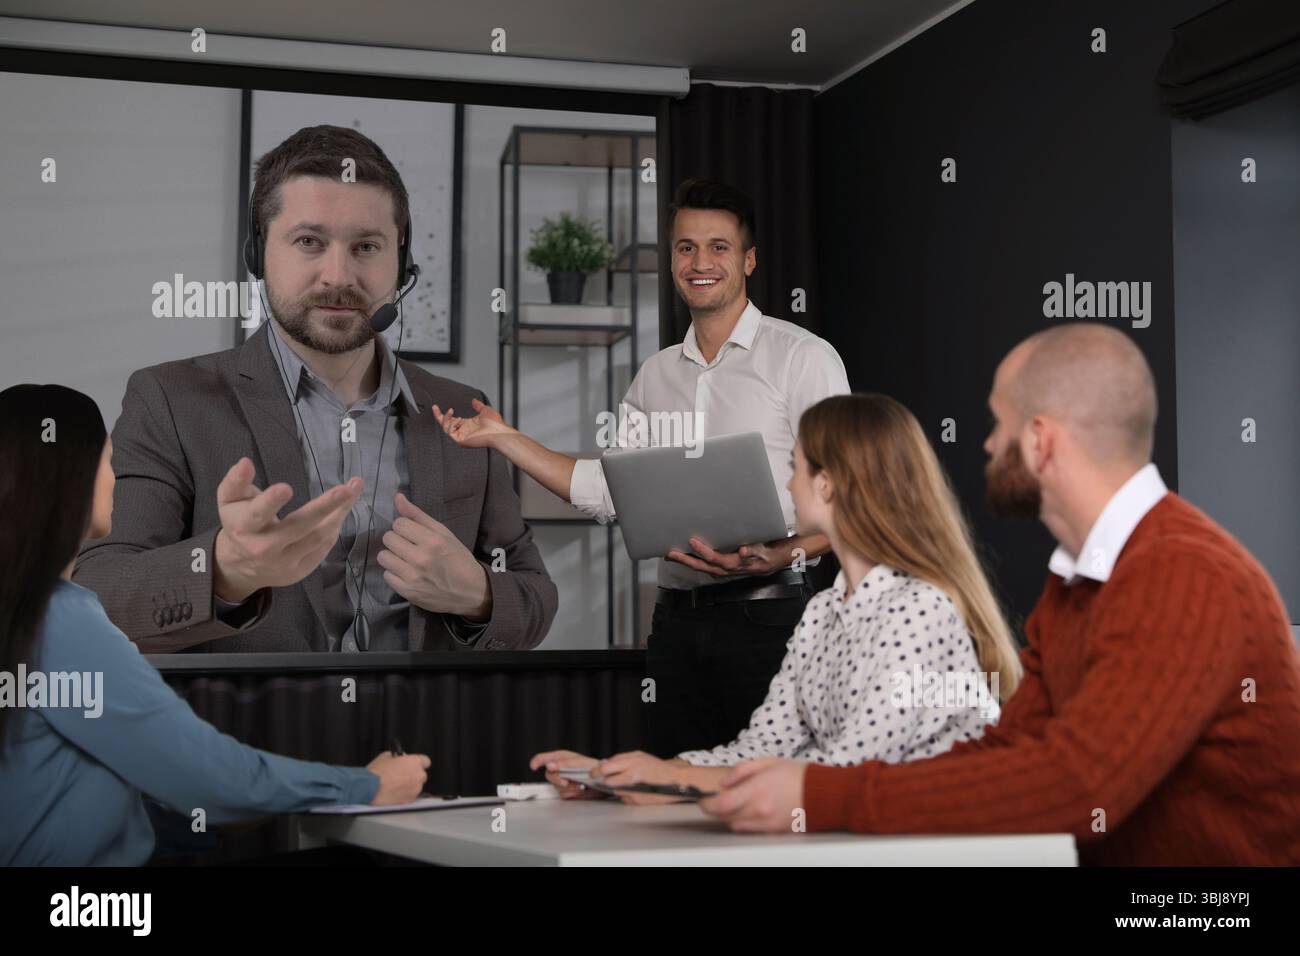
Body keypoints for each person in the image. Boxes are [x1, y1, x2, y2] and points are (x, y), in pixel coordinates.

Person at [699, 323, 1300, 866]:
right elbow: (1009, 751)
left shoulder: (1181, 573)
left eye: (999, 425)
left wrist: (821, 795)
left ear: (1040, 441)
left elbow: (1078, 786)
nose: (987, 445)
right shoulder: (1079, 584)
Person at [74, 125, 557, 654]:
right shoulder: (168, 399)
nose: (338, 274)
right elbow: (101, 593)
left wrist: (477, 594)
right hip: (249, 732)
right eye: (309, 242)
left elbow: (534, 594)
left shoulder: (463, 409)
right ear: (258, 254)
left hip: (424, 732)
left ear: (402, 261)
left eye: (366, 246)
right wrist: (226, 570)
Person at [435, 178, 850, 755]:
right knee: (674, 800)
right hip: (676, 628)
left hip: (775, 618)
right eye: (685, 247)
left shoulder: (803, 358)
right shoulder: (654, 377)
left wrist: (781, 553)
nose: (700, 262)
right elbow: (608, 491)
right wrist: (505, 439)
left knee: (771, 797)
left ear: (749, 259)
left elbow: (852, 504)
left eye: (719, 247)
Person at [0, 384, 431, 865]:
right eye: (107, 460)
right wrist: (369, 784)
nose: (115, 477)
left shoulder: (28, 616)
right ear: (69, 476)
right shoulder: (62, 620)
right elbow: (211, 778)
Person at [530, 393, 1021, 800]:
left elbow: (845, 772)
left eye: (795, 468)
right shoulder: (825, 611)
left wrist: (673, 778)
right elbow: (763, 746)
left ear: (826, 485)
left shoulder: (918, 608)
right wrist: (616, 777)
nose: (787, 483)